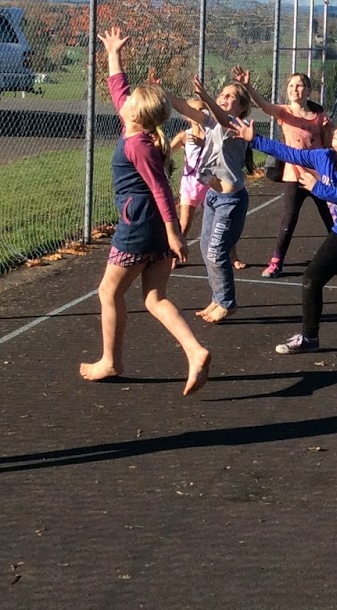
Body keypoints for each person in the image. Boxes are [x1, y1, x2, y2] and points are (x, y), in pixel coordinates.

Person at [79, 26, 210, 395]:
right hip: (152, 228)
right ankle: (195, 351)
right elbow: (118, 88)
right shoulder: (137, 128)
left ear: (137, 112)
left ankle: (111, 361)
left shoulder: (138, 144)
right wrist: (113, 53)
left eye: (131, 100)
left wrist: (174, 233)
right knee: (154, 297)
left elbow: (161, 189)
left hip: (140, 227)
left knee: (109, 292)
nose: (124, 101)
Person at [231, 112, 337, 355]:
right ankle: (309, 337)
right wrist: (254, 139)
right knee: (312, 278)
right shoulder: (323, 157)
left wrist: (317, 187)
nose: (336, 131)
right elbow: (290, 153)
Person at [240, 69, 335, 279]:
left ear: (308, 90)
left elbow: (327, 144)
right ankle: (276, 262)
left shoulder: (319, 116)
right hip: (294, 176)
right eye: (291, 85)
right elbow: (263, 105)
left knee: (330, 217)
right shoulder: (284, 112)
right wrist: (248, 87)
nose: (294, 89)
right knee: (288, 220)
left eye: (299, 85)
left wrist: (328, 129)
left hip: (319, 177)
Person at [179, 77, 255, 324]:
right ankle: (218, 297)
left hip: (230, 201)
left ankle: (227, 303)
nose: (224, 97)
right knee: (205, 248)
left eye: (230, 96)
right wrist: (160, 92)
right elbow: (186, 108)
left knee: (216, 250)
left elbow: (223, 119)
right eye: (222, 93)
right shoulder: (211, 121)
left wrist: (207, 98)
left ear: (242, 107)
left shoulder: (239, 125)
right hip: (213, 196)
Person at [170, 107, 209, 237]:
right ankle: (177, 249)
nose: (198, 113)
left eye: (202, 110)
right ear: (187, 116)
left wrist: (204, 143)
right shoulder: (184, 136)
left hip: (210, 184)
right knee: (184, 224)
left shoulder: (213, 135)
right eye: (194, 110)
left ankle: (227, 251)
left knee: (214, 222)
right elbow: (167, 153)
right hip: (190, 184)